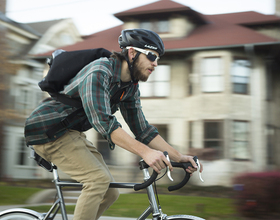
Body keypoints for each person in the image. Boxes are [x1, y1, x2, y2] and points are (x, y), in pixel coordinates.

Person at [24, 28, 203, 220]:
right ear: (132, 53)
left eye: (158, 58)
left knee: (110, 192)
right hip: (47, 131)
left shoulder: (129, 87)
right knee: (97, 180)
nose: (155, 63)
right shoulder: (99, 72)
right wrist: (145, 152)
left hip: (70, 133)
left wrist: (179, 157)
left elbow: (143, 129)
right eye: (151, 55)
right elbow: (104, 124)